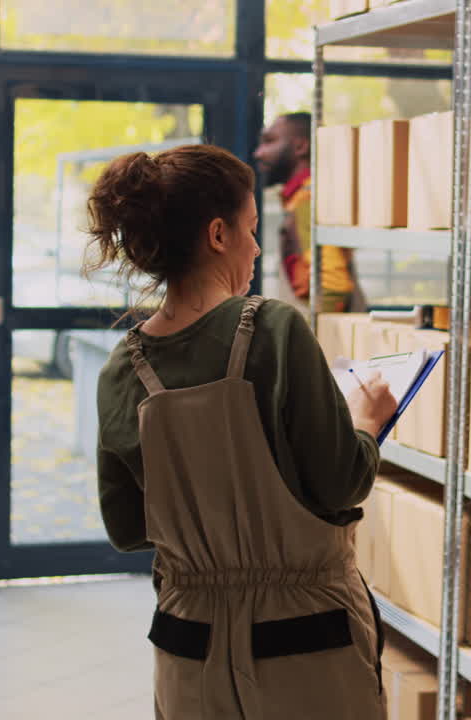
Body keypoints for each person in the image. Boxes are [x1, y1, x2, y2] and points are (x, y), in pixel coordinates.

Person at [87, 144, 398, 719]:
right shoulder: (273, 330)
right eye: (252, 228)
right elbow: (339, 484)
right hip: (308, 644)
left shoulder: (122, 370)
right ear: (217, 235)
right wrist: (365, 421)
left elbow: (128, 528)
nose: (257, 246)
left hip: (187, 648)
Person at [253, 112, 360, 312]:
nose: (258, 153)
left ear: (301, 147)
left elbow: (333, 287)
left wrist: (307, 336)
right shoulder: (301, 197)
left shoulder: (308, 198)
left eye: (269, 141)